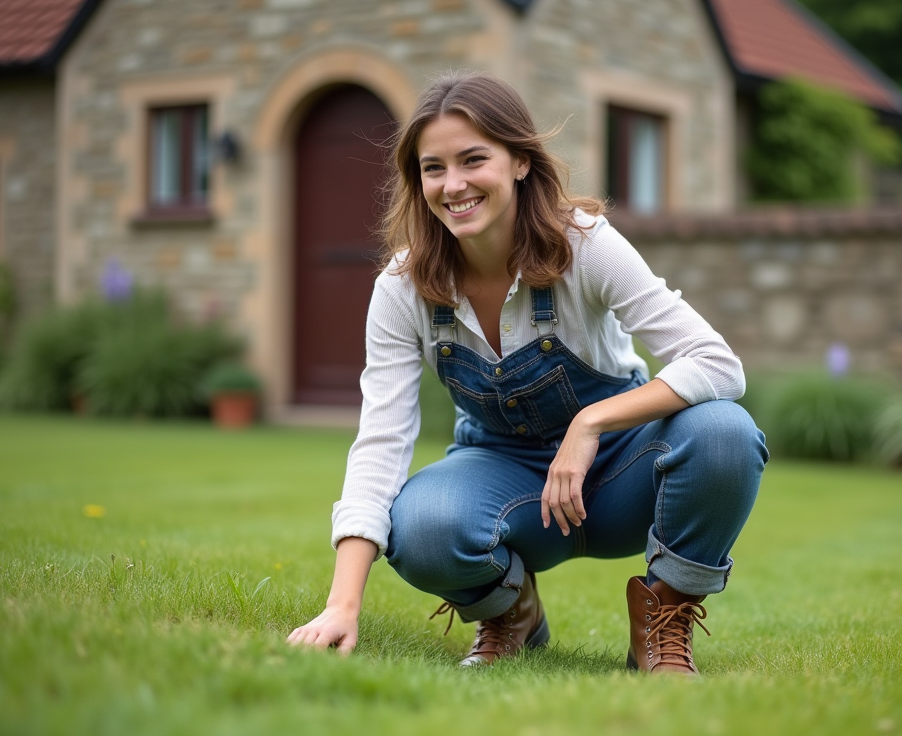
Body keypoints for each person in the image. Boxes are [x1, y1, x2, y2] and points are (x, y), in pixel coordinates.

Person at [287, 73, 768, 676]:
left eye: (473, 159)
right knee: (422, 525)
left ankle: (663, 622)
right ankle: (511, 611)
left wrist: (591, 422)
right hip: (509, 489)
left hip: (620, 473)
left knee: (725, 432)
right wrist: (342, 604)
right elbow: (381, 438)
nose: (454, 184)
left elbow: (717, 361)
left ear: (519, 162)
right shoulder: (401, 289)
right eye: (433, 167)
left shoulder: (585, 245)